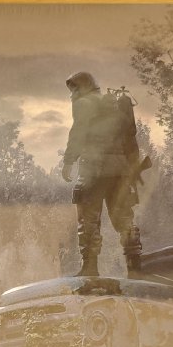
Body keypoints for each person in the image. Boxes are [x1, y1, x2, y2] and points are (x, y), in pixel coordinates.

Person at [61, 71, 143, 275]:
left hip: (93, 171)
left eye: (74, 89)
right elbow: (130, 138)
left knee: (88, 220)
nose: (72, 94)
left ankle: (90, 268)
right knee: (124, 220)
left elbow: (78, 133)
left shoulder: (84, 103)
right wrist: (132, 168)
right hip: (120, 171)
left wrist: (69, 161)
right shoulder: (115, 104)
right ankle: (135, 267)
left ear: (82, 87)